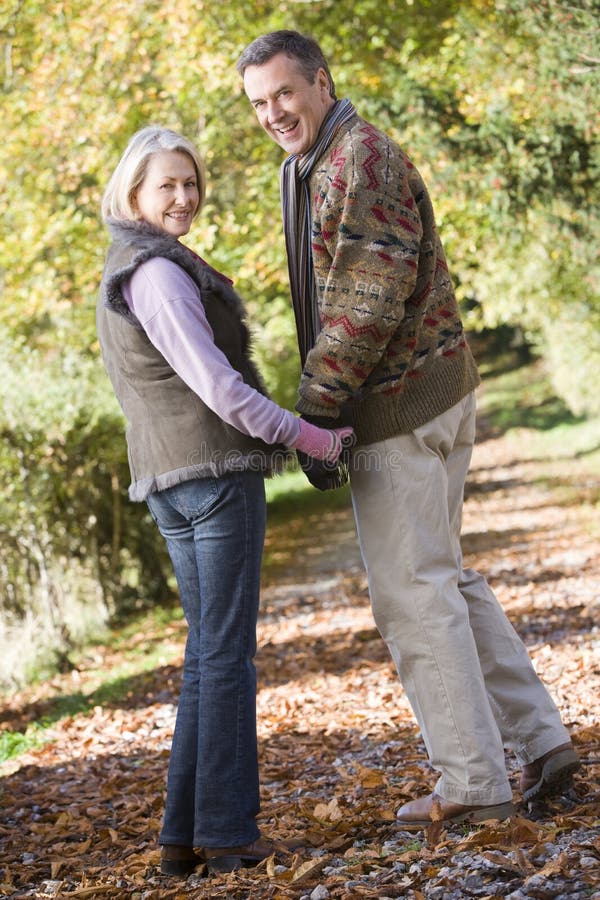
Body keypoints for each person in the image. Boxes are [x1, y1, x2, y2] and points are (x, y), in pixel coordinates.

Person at [236, 31, 581, 827]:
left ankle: (473, 786)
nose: (273, 113)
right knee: (445, 576)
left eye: (284, 93)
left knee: (413, 596)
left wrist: (317, 412)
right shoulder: (324, 161)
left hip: (400, 408)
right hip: (426, 393)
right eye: (258, 103)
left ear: (321, 82)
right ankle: (541, 739)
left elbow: (366, 298)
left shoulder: (358, 160)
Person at [96, 125, 353, 874]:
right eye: (166, 185)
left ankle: (184, 838)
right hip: (211, 479)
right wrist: (313, 438)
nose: (183, 196)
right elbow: (221, 390)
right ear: (134, 194)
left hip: (174, 481)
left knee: (208, 656)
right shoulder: (158, 274)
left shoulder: (132, 264)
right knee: (227, 658)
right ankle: (232, 834)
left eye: (190, 182)